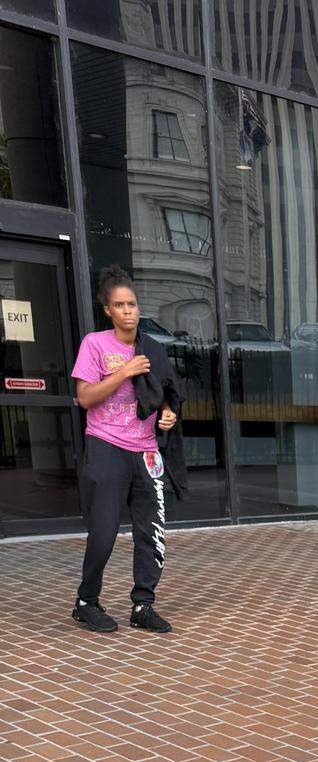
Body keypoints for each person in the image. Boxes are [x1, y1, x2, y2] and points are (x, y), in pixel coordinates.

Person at [70, 265, 186, 634]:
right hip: (105, 446)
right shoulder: (95, 344)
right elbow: (85, 397)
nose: (128, 311)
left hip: (146, 449)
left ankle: (143, 604)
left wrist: (168, 414)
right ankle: (87, 602)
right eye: (119, 305)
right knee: (103, 532)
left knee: (151, 532)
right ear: (108, 310)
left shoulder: (152, 349)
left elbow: (167, 395)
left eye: (132, 304)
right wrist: (122, 372)